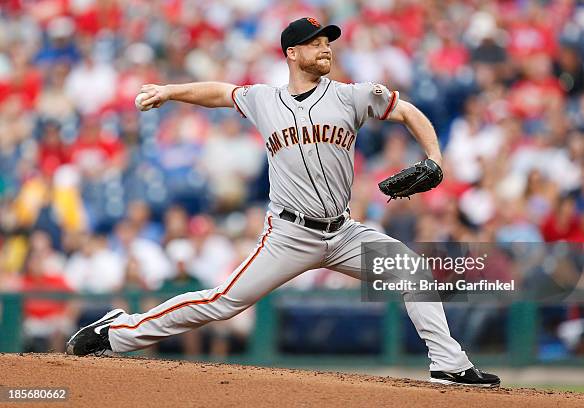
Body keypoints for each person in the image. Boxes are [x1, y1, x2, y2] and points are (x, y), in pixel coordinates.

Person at [66, 17, 500, 387]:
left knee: (411, 270)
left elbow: (407, 112)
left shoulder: (351, 94)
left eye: (327, 42)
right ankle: (117, 333)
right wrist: (171, 90)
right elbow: (221, 92)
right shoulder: (264, 100)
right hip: (289, 234)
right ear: (292, 53)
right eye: (315, 43)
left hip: (344, 231)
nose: (325, 49)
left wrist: (435, 158)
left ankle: (449, 365)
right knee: (222, 302)